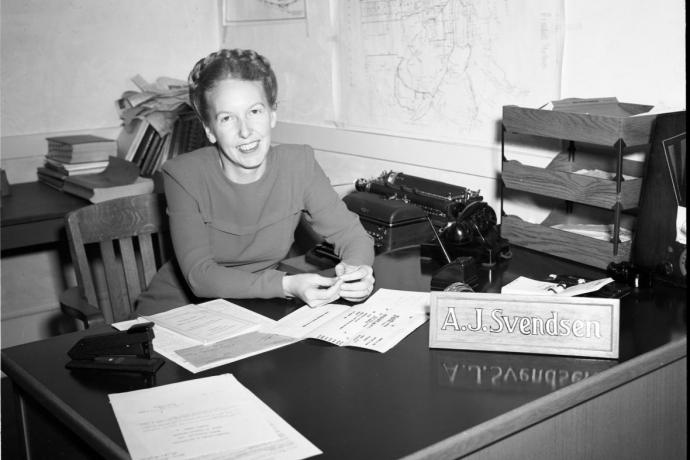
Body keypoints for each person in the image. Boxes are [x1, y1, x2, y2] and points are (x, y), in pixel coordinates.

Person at [135, 48, 375, 315]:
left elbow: (351, 234)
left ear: (273, 113)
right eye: (227, 118)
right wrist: (287, 285)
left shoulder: (300, 165)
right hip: (176, 312)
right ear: (209, 129)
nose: (245, 131)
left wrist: (358, 269)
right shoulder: (183, 176)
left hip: (251, 309)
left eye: (255, 111)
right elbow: (200, 276)